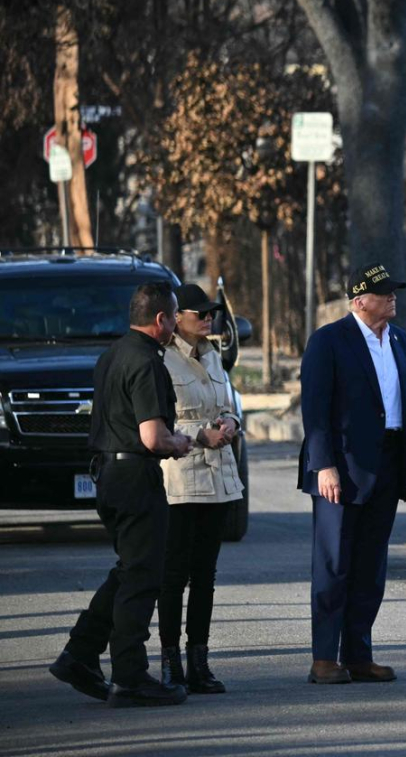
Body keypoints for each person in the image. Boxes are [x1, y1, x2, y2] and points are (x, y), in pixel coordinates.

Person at [49, 282, 194, 708]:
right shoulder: (148, 361)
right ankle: (130, 675)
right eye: (173, 319)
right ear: (162, 319)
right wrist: (180, 443)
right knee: (143, 576)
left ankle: (79, 653)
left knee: (129, 569)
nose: (173, 329)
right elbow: (152, 436)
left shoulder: (112, 355)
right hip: (135, 477)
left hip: (109, 475)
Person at [298, 262, 406, 685]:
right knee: (334, 565)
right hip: (342, 467)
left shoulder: (402, 341)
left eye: (394, 291)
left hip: (388, 463)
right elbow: (314, 410)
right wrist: (324, 466)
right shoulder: (329, 341)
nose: (392, 298)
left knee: (371, 565)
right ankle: (323, 659)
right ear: (359, 301)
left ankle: (358, 655)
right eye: (384, 292)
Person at [157, 284, 244, 695]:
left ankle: (199, 662)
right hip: (180, 479)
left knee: (205, 576)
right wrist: (200, 434)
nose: (208, 319)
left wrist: (230, 423)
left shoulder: (212, 355)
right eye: (200, 313)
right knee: (174, 574)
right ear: (178, 318)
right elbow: (158, 424)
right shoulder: (162, 360)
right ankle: (170, 661)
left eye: (211, 313)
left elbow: (225, 404)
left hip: (219, 478)